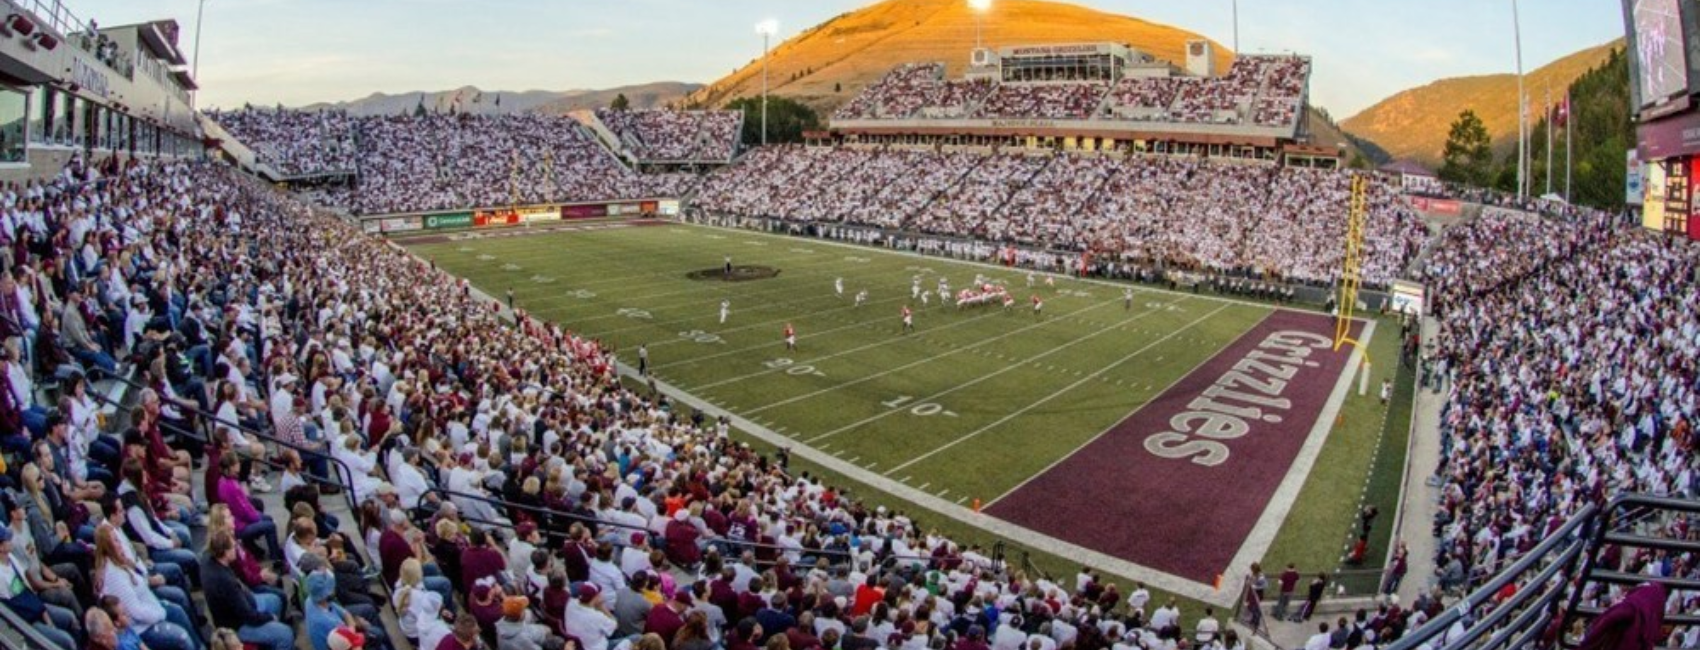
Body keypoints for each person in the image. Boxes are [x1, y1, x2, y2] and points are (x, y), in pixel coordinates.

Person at [203, 531, 292, 650]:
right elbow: (248, 616)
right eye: (233, 547)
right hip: (237, 625)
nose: (235, 548)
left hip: (245, 601)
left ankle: (270, 642)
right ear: (225, 552)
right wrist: (269, 617)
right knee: (285, 634)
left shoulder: (214, 562)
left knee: (275, 600)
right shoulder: (225, 582)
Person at [0, 524, 79, 650]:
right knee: (67, 641)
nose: (10, 540)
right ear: (1, 547)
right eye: (7, 539)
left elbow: (27, 590)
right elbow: (17, 607)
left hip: (37, 607)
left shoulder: (11, 558)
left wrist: (44, 613)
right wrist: (46, 620)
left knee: (70, 617)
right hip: (28, 621)